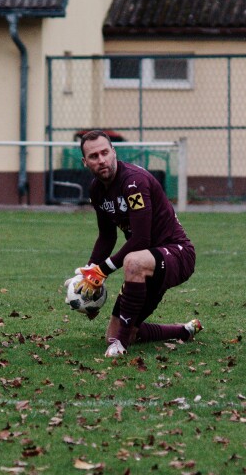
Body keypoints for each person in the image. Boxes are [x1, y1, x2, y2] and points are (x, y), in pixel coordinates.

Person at [70, 129, 201, 357]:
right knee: (115, 333)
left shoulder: (133, 182)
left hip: (177, 254)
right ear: (85, 162)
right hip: (145, 260)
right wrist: (89, 274)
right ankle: (183, 331)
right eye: (94, 156)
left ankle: (121, 346)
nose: (101, 160)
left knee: (133, 261)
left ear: (114, 151)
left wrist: (103, 270)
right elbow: (107, 236)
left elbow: (142, 239)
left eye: (105, 152)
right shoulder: (96, 189)